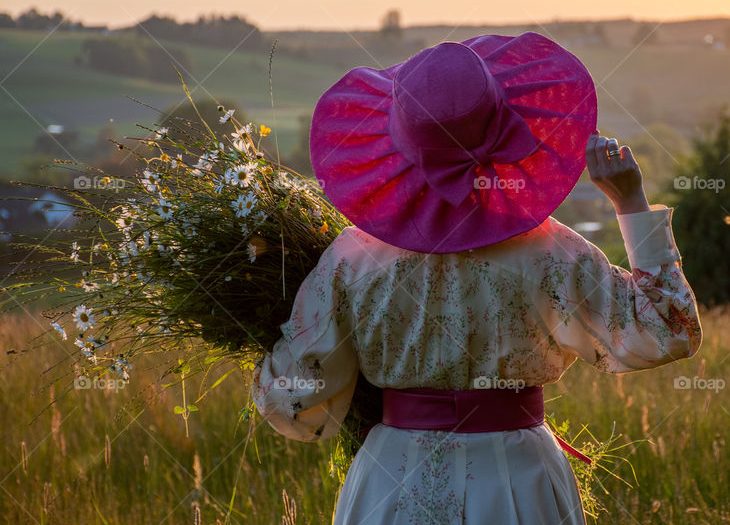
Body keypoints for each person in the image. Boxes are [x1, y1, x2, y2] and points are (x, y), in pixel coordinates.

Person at [252, 32, 702, 524]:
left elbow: (293, 400)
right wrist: (630, 203)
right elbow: (668, 328)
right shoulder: (549, 252)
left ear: (397, 141)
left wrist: (256, 326)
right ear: (506, 126)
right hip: (519, 482)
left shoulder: (351, 259)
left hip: (391, 483)